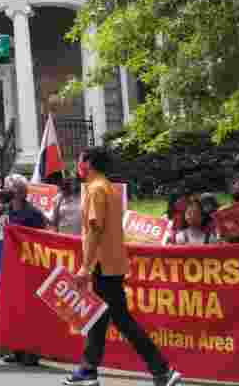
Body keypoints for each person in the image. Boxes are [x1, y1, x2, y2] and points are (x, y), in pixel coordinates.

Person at [65, 147, 181, 386]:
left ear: (88, 163)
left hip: (102, 265)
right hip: (111, 264)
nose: (77, 165)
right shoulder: (108, 188)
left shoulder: (96, 189)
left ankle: (162, 369)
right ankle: (88, 371)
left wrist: (85, 267)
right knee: (99, 318)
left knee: (120, 320)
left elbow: (94, 230)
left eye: (79, 160)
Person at [1, 175, 47, 366]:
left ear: (19, 191)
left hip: (29, 268)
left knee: (30, 311)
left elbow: (42, 241)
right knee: (14, 310)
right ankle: (16, 349)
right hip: (10, 267)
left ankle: (32, 351)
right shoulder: (6, 212)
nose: (4, 190)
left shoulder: (34, 214)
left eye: (8, 188)